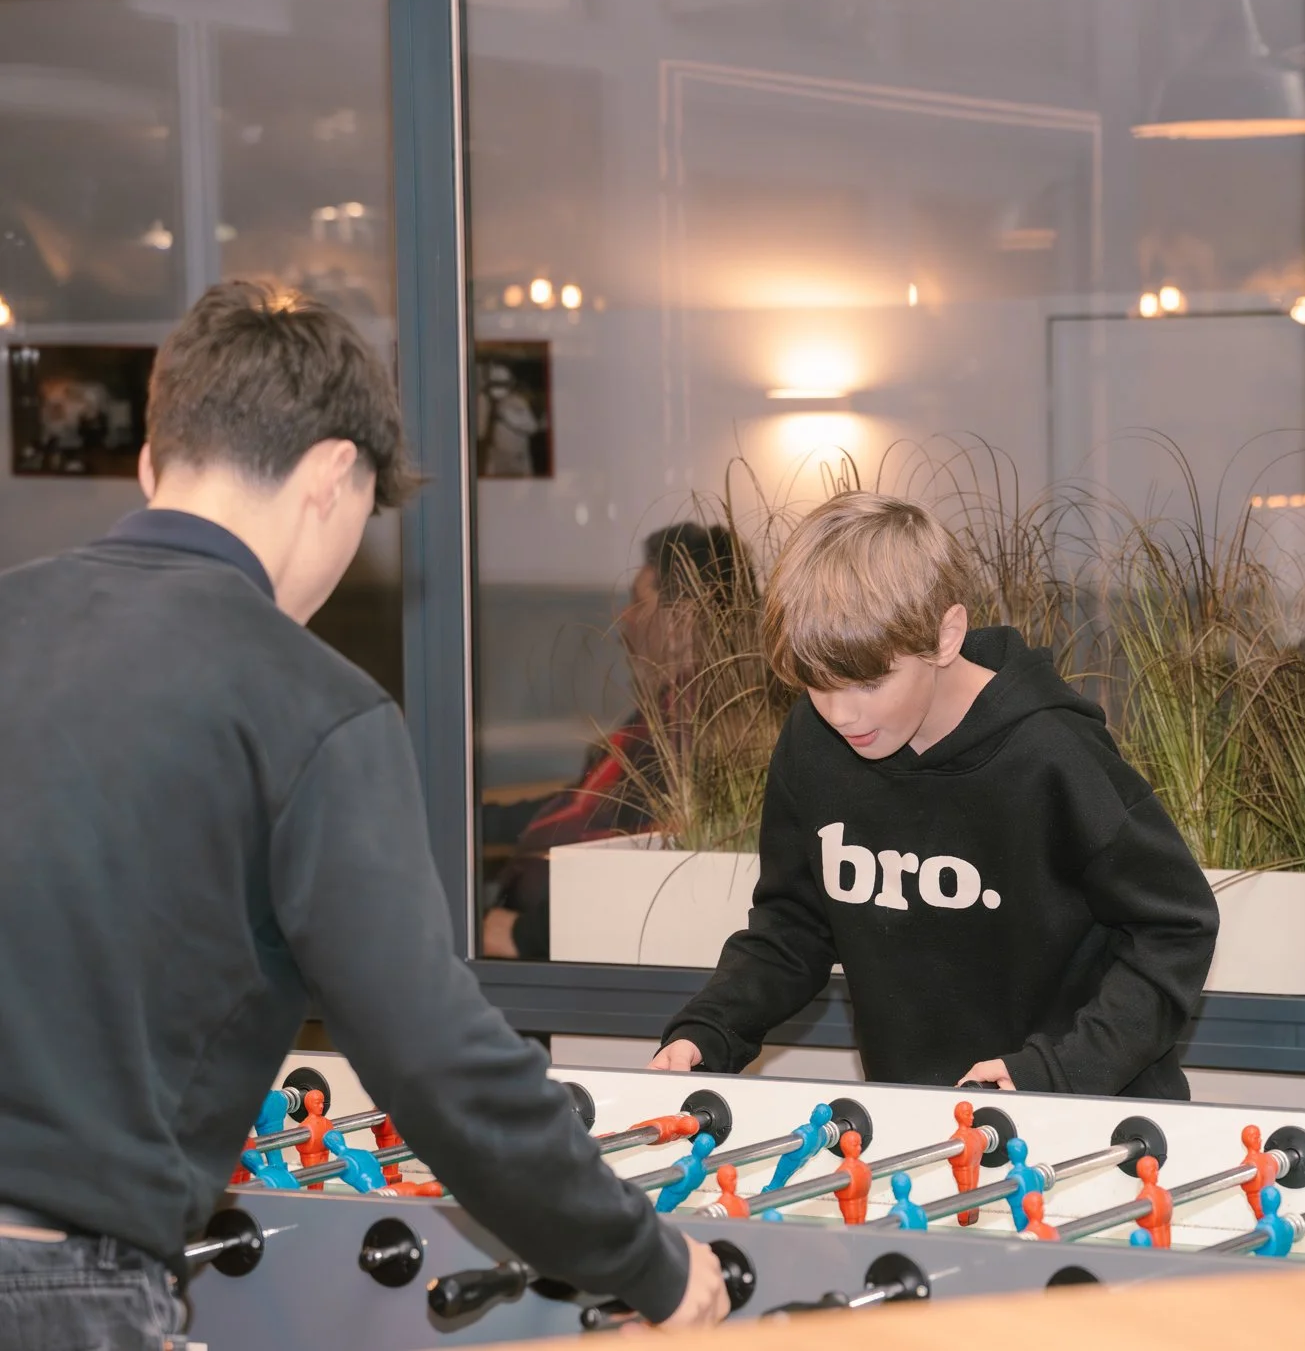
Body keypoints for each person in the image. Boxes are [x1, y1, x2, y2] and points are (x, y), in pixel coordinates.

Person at [0, 281, 726, 1347]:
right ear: (333, 476)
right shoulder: (310, 703)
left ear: (153, 463)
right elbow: (434, 1056)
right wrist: (647, 1261)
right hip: (58, 1289)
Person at [647, 490, 1218, 1097]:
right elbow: (794, 927)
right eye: (817, 684)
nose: (840, 713)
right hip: (922, 1119)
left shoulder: (1053, 753)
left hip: (1087, 1122)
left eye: (869, 682)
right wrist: (709, 1030)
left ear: (946, 635)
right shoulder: (812, 743)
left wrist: (1058, 1071)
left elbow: (1175, 927)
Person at [481, 521, 753, 960]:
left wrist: (528, 936)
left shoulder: (700, 729)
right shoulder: (671, 713)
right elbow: (585, 807)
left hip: (573, 952)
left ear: (681, 621)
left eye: (638, 602)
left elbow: (659, 856)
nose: (623, 619)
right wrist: (473, 823)